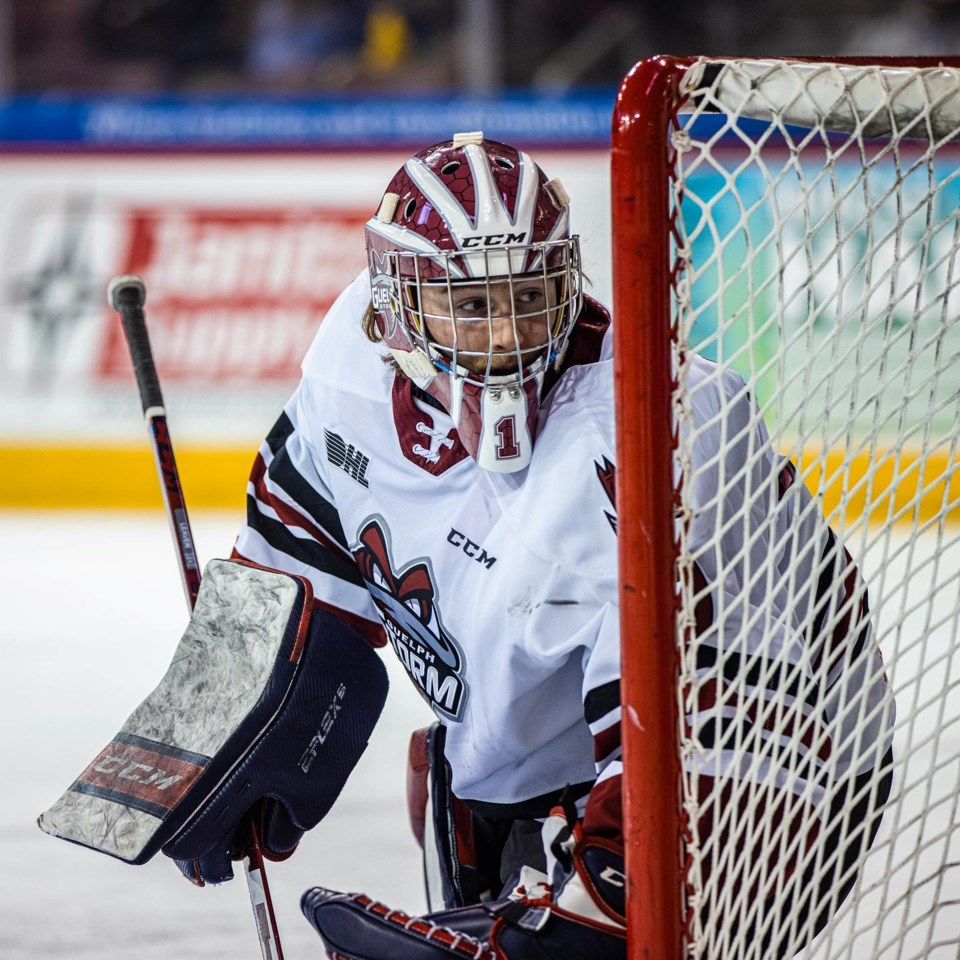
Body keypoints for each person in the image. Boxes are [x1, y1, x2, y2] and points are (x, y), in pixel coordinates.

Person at [224, 132, 893, 960]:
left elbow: (728, 721)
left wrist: (595, 912)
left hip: (789, 779)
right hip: (582, 745)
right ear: (392, 304)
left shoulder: (646, 436)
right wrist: (245, 723)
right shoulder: (351, 361)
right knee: (453, 766)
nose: (503, 336)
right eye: (470, 307)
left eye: (526, 297)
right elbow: (298, 539)